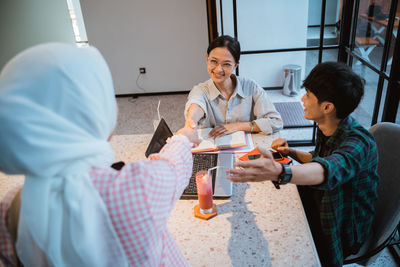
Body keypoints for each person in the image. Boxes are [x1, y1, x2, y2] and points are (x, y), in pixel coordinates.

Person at [0, 43, 200, 266]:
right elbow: (173, 166)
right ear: (90, 113)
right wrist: (184, 137)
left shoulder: (10, 209)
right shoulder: (137, 188)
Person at [226, 62, 379, 267]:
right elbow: (319, 159)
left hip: (340, 229)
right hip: (323, 202)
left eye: (308, 94)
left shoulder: (359, 143)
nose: (302, 99)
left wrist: (281, 171)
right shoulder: (332, 127)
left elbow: (330, 170)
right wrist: (291, 153)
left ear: (327, 107)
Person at [184, 35, 282, 138]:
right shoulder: (200, 90)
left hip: (247, 148)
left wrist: (237, 126)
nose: (218, 70)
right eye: (214, 61)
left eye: (226, 64)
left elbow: (276, 121)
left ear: (235, 65)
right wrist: (190, 122)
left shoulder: (251, 87)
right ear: (207, 58)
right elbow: (196, 105)